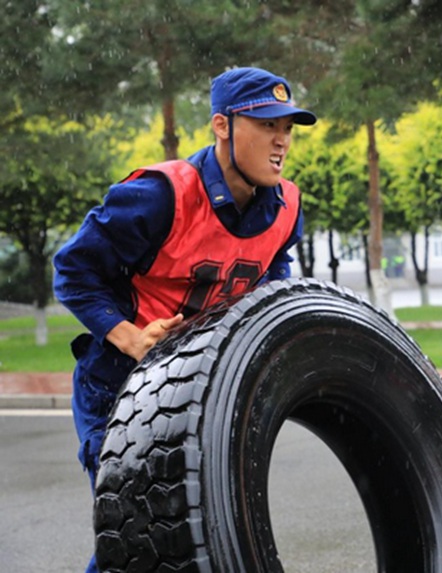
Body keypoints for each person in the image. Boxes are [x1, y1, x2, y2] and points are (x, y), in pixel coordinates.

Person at [53, 66, 316, 572]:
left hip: (197, 387)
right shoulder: (159, 194)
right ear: (222, 126)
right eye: (266, 125)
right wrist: (130, 338)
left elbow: (273, 277)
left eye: (288, 127)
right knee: (133, 533)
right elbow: (73, 269)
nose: (281, 140)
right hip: (117, 385)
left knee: (193, 534)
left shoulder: (287, 206)